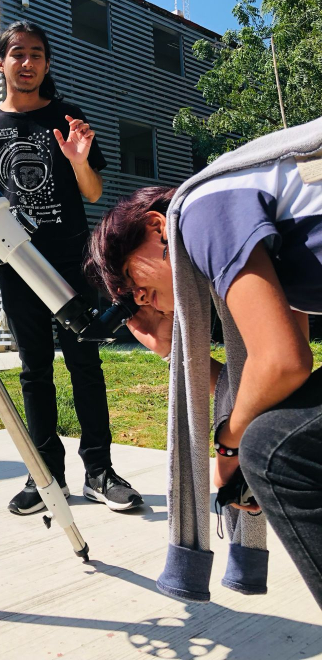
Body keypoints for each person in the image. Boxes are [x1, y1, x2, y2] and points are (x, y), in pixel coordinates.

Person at [84, 121, 322, 607]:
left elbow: (281, 363)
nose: (140, 298)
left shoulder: (200, 205)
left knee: (274, 452)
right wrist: (177, 353)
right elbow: (279, 378)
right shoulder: (252, 213)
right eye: (130, 298)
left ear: (156, 227)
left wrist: (228, 447)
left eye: (131, 279)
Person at [0, 21, 143, 516]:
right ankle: (47, 476)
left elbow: (95, 193)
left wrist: (79, 160)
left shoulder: (66, 116)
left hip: (71, 261)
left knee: (85, 363)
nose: (27, 62)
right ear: (1, 62)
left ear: (47, 63)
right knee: (34, 370)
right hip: (14, 265)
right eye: (17, 54)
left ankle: (99, 472)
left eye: (37, 54)